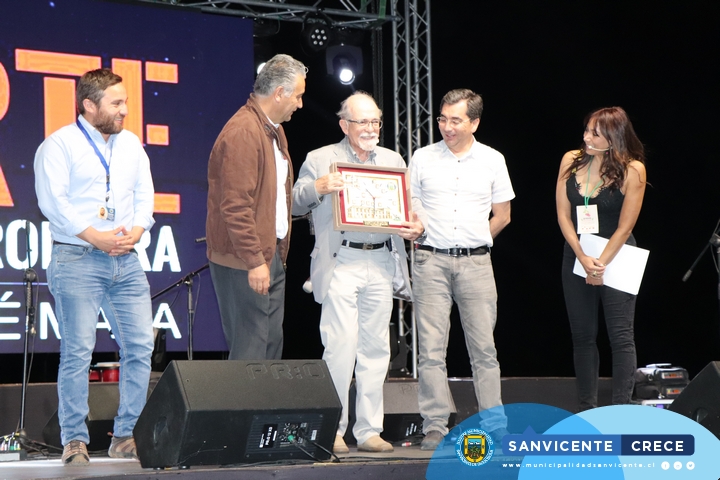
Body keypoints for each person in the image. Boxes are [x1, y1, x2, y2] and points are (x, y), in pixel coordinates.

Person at [34, 68, 155, 465]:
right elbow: (54, 203)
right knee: (78, 350)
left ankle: (125, 434)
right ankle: (74, 438)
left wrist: (137, 230)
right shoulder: (59, 145)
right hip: (77, 257)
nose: (125, 110)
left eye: (125, 102)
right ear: (89, 105)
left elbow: (144, 194)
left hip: (126, 259)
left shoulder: (131, 143)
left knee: (140, 347)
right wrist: (95, 236)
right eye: (116, 103)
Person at [292, 92, 424, 453]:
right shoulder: (321, 159)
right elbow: (292, 201)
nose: (370, 128)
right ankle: (332, 429)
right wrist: (319, 187)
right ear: (344, 125)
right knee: (339, 347)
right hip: (341, 261)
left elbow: (410, 209)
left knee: (376, 349)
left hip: (381, 260)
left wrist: (415, 225)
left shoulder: (393, 159)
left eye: (375, 121)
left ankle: (368, 431)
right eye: (362, 121)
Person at [409, 89, 514, 451]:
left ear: (474, 122)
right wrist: (415, 226)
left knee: (484, 349)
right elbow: (412, 206)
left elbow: (504, 214)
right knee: (431, 350)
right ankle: (435, 426)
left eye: (455, 120)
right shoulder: (422, 158)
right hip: (430, 261)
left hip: (476, 262)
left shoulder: (493, 160)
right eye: (442, 118)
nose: (446, 127)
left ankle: (495, 426)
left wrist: (478, 237)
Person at [206, 54, 306, 360]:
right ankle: (244, 411)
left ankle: (264, 410)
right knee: (250, 354)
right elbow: (235, 206)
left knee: (269, 348)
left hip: (268, 254)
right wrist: (254, 261)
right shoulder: (244, 132)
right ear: (279, 94)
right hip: (244, 260)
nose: (300, 104)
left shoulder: (272, 129)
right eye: (298, 96)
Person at [555, 107, 646, 411]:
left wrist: (600, 263)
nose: (586, 138)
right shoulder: (571, 160)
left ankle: (620, 410)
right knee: (582, 336)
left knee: (621, 337)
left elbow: (626, 226)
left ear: (614, 138)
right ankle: (586, 409)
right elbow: (563, 215)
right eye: (586, 130)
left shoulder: (633, 169)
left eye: (595, 133)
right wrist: (582, 256)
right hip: (578, 253)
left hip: (617, 255)